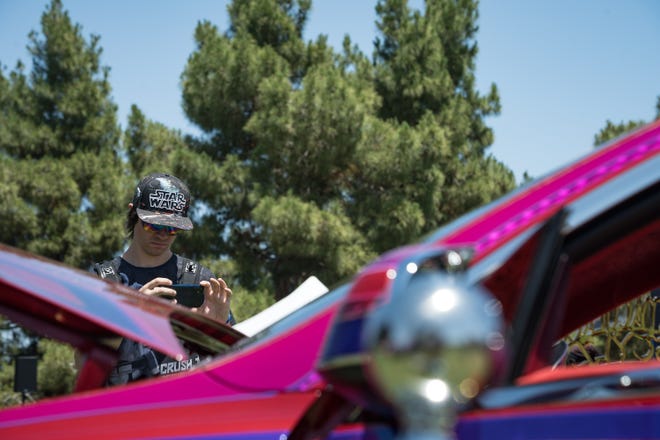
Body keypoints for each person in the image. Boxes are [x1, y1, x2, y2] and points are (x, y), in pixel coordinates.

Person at [92, 172, 234, 385]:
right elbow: (84, 360)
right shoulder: (103, 282)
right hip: (124, 410)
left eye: (173, 228)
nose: (163, 235)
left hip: (186, 409)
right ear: (133, 214)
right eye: (154, 225)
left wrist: (221, 328)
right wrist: (128, 317)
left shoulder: (198, 279)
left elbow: (232, 361)